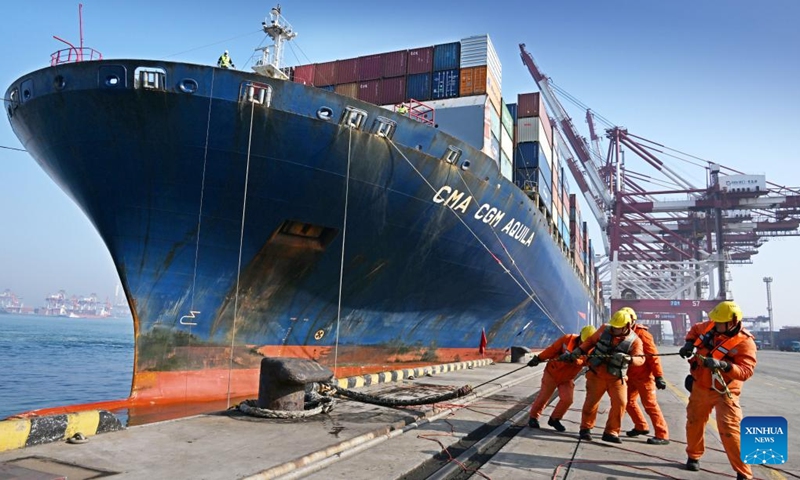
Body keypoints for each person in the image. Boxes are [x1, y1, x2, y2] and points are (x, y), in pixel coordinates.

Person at [679, 300, 757, 480]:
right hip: (701, 385)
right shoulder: (710, 325)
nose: (716, 325)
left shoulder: (745, 343)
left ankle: (743, 473)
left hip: (725, 390)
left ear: (732, 322)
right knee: (694, 421)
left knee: (730, 430)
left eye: (720, 323)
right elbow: (695, 329)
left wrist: (724, 365)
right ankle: (693, 456)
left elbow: (746, 371)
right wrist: (689, 344)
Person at [559, 309, 644, 443]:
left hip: (616, 378)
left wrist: (628, 359)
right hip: (596, 374)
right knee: (591, 403)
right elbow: (590, 342)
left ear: (627, 326)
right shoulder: (605, 329)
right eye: (613, 326)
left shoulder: (635, 341)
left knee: (621, 403)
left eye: (617, 328)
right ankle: (585, 429)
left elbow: (640, 359)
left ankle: (611, 432)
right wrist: (576, 352)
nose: (613, 329)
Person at [526, 325, 597, 432]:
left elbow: (587, 362)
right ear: (580, 335)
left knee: (568, 400)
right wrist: (539, 358)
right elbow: (552, 349)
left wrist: (575, 361)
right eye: (582, 341)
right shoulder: (567, 339)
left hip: (567, 378)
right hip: (552, 373)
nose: (583, 344)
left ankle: (555, 419)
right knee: (543, 397)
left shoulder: (592, 350)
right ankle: (533, 418)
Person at [619, 307, 670, 445]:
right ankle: (641, 426)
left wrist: (659, 376)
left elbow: (653, 356)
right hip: (630, 376)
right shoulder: (620, 333)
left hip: (644, 377)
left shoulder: (642, 334)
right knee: (627, 402)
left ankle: (662, 435)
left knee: (650, 405)